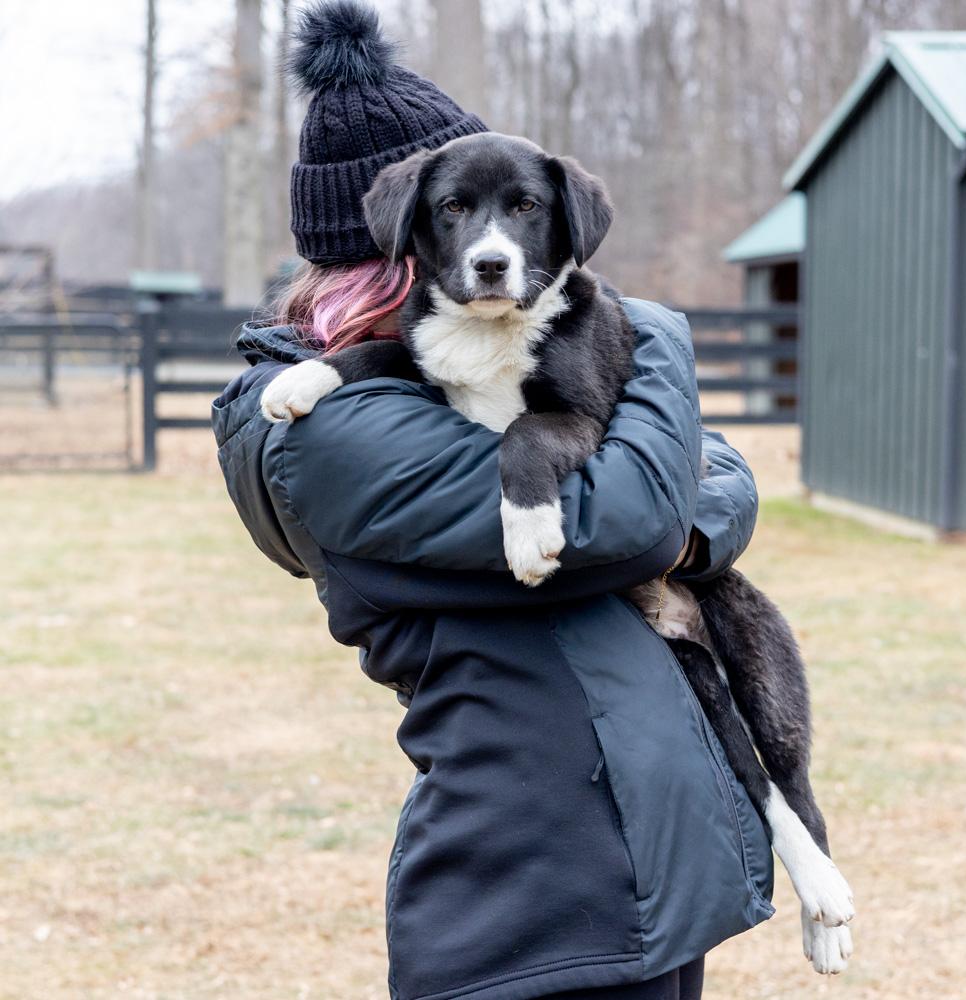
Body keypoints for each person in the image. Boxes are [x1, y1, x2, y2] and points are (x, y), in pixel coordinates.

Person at [212, 4, 773, 999]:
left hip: (639, 863)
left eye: (517, 208)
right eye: (461, 207)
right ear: (401, 238)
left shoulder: (484, 360)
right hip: (531, 896)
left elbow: (710, 478)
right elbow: (632, 512)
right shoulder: (330, 427)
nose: (497, 236)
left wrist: (686, 524)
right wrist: (656, 336)